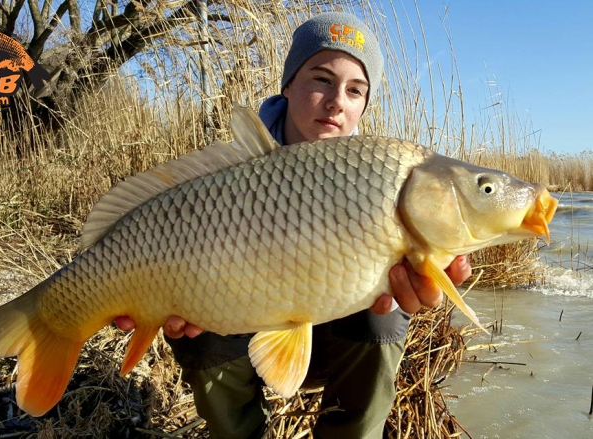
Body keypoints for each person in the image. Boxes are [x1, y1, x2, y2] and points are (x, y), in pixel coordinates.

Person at [115, 11, 471, 438]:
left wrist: (413, 280)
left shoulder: (384, 178)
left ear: (364, 104)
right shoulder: (228, 170)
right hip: (237, 324)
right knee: (197, 327)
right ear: (288, 84)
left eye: (355, 90)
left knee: (384, 313)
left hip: (330, 339)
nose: (337, 100)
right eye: (321, 79)